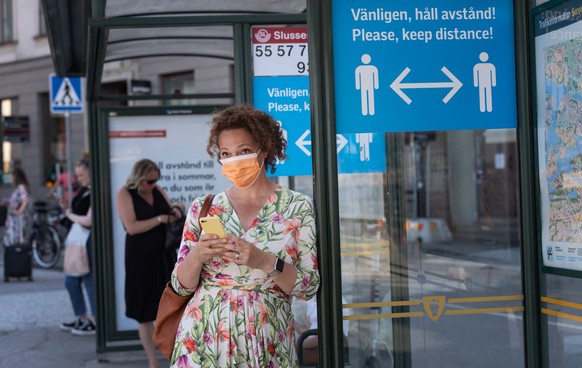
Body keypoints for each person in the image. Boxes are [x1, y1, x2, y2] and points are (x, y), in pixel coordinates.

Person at [169, 104, 320, 367]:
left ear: (266, 148)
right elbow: (180, 285)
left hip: (266, 340)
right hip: (203, 339)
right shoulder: (203, 207)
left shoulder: (298, 207)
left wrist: (264, 261)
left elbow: (307, 287)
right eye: (226, 153)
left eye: (244, 151)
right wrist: (198, 255)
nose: (234, 161)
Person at [117, 159, 181, 368]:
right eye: (150, 181)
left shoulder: (158, 190)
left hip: (163, 254)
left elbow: (171, 211)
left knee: (170, 306)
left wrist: (177, 211)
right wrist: (160, 220)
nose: (153, 184)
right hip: (140, 258)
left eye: (156, 180)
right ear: (139, 177)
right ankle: (152, 360)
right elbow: (132, 227)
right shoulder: (125, 194)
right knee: (143, 310)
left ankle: (173, 355)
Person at [59, 158, 96, 336]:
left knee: (89, 279)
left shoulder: (95, 191)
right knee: (71, 280)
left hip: (88, 239)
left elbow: (88, 221)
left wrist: (69, 214)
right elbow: (77, 214)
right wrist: (67, 210)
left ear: (91, 173)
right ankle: (82, 317)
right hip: (78, 238)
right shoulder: (83, 190)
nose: (79, 178)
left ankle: (96, 320)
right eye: (77, 175)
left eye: (82, 175)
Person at [2, 168, 32, 246]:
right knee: (15, 239)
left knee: (17, 239)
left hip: (17, 219)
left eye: (13, 176)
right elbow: (18, 201)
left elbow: (25, 199)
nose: (12, 178)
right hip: (14, 219)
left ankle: (18, 256)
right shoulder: (19, 188)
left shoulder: (21, 187)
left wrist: (19, 211)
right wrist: (8, 201)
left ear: (16, 177)